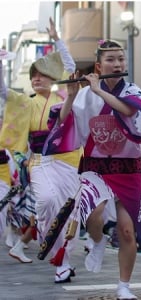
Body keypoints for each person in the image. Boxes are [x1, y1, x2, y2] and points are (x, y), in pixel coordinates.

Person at [46, 39, 141, 299]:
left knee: (127, 230)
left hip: (128, 169)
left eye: (120, 58)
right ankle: (96, 240)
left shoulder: (132, 91)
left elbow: (130, 111)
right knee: (92, 214)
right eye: (110, 59)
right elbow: (62, 123)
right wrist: (72, 95)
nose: (117, 63)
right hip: (95, 168)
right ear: (99, 65)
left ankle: (124, 286)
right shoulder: (85, 95)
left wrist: (98, 91)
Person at [0, 18, 82, 283]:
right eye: (33, 75)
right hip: (40, 162)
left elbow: (71, 69)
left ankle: (64, 261)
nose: (36, 79)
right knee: (46, 204)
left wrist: (57, 38)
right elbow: (2, 91)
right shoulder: (25, 102)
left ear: (52, 78)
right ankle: (58, 255)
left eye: (42, 75)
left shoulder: (64, 98)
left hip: (69, 161)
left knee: (67, 209)